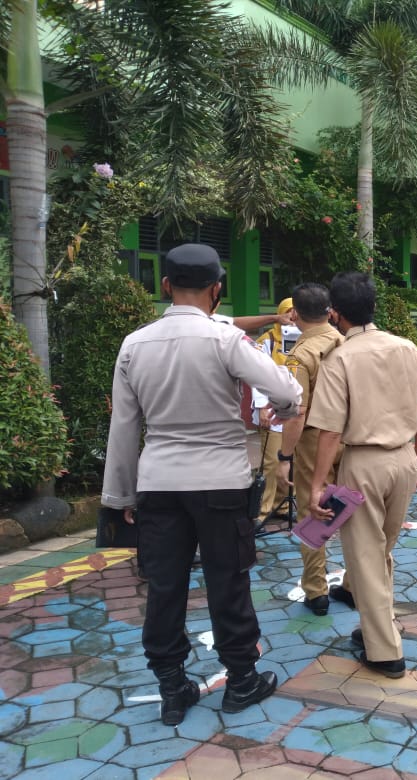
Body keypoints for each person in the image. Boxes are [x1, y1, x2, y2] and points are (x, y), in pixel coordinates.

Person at [100, 243, 302, 725]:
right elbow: (285, 391)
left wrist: (120, 496)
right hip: (221, 481)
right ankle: (241, 680)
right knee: (227, 580)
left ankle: (173, 688)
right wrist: (286, 408)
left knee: (164, 585)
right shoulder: (226, 339)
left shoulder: (134, 344)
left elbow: (124, 427)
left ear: (165, 285)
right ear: (217, 289)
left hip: (159, 483)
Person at [306, 272, 417, 678]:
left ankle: (385, 653)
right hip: (404, 460)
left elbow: (330, 430)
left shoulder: (340, 358)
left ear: (335, 313)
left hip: (362, 464)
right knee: (380, 553)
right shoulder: (406, 347)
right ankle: (376, 627)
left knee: (366, 558)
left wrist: (317, 484)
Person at [273, 283, 348, 616]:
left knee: (312, 510)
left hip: (315, 443)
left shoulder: (301, 356)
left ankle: (317, 591)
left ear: (294, 314)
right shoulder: (347, 344)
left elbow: (297, 413)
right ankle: (354, 583)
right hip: (351, 439)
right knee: (351, 510)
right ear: (330, 311)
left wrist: (284, 457)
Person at [253, 297, 297, 522]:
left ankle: (282, 504)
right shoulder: (267, 340)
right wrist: (261, 406)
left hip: (295, 411)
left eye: (297, 313)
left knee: (291, 461)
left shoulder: (304, 339)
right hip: (272, 410)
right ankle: (263, 510)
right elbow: (256, 374)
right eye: (289, 312)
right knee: (271, 462)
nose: (293, 317)